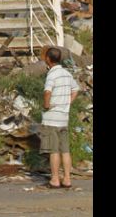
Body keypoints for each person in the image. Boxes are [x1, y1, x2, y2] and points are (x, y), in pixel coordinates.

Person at [39, 46, 80, 189]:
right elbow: (76, 89)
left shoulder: (52, 74)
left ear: (48, 59)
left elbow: (47, 91)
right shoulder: (67, 74)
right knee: (65, 150)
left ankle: (55, 180)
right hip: (64, 117)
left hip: (52, 118)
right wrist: (67, 102)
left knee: (54, 150)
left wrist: (46, 105)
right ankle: (67, 179)